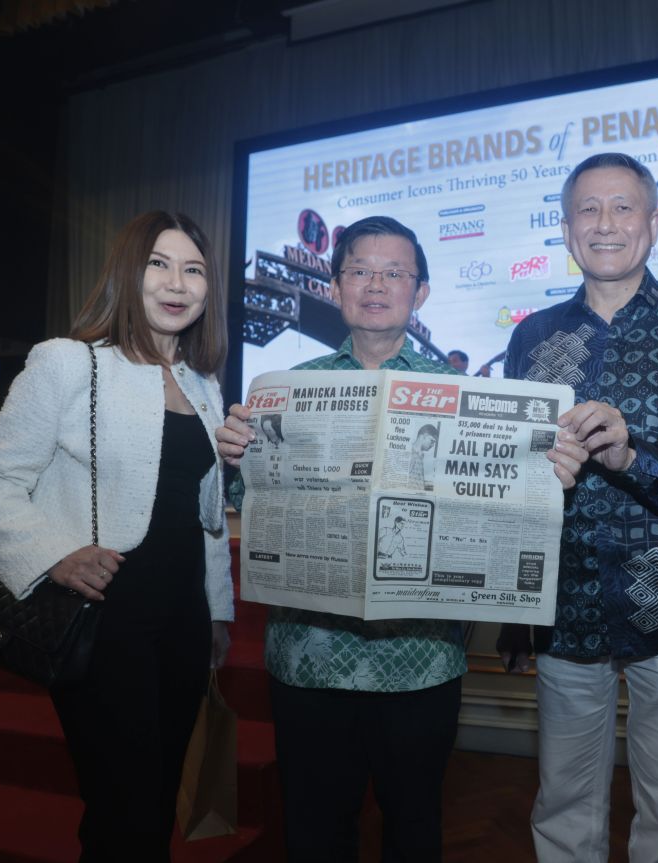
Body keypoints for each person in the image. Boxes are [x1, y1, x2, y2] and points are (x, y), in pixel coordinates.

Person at [215, 215, 587, 862]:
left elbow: (502, 514)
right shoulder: (287, 389)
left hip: (421, 662)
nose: (376, 285)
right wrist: (235, 459)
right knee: (313, 828)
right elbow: (255, 505)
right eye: (360, 270)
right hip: (308, 659)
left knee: (414, 826)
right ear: (335, 286)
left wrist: (550, 477)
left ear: (421, 293)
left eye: (395, 273)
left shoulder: (464, 391)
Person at [0, 210, 234, 861]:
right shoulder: (66, 362)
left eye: (193, 269)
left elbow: (206, 519)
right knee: (123, 810)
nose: (177, 282)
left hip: (184, 622)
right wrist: (52, 555)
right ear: (127, 274)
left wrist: (217, 611)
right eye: (158, 264)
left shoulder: (206, 385)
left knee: (157, 803)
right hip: (102, 620)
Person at [498, 152, 658, 863]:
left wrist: (629, 456)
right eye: (588, 210)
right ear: (567, 231)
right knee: (564, 807)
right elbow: (505, 484)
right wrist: (515, 610)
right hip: (563, 610)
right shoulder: (530, 337)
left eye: (624, 207)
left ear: (655, 222)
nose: (606, 224)